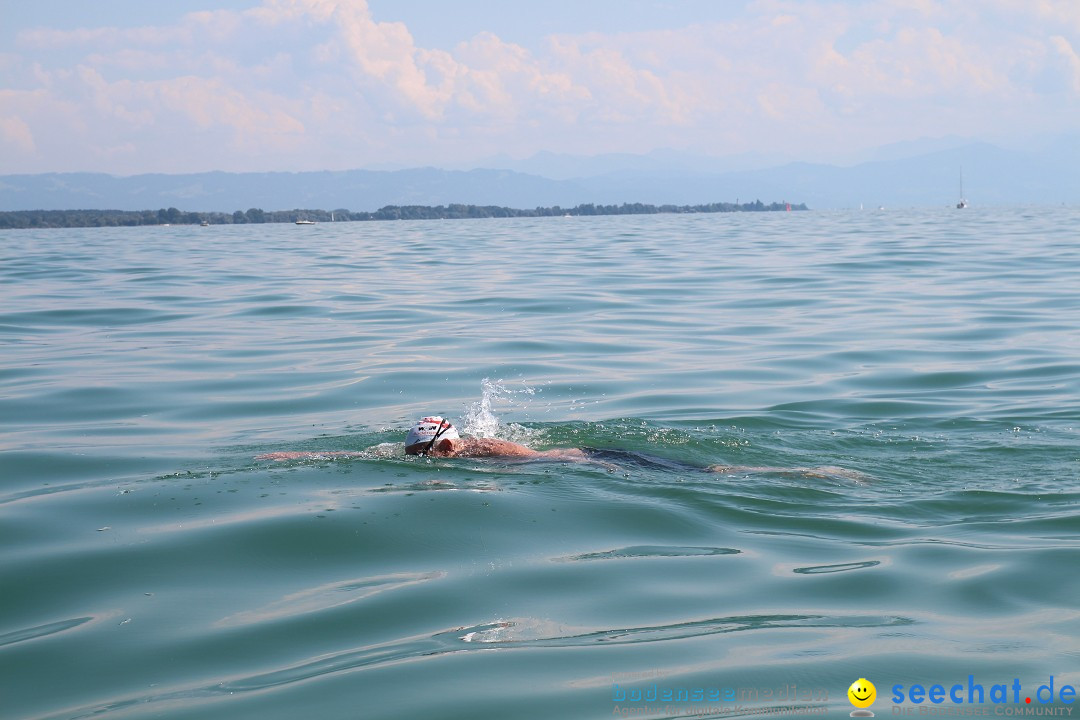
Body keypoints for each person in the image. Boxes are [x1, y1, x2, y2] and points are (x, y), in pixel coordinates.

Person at [257, 416, 868, 481]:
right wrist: (291, 459)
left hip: (596, 462)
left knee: (707, 474)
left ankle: (802, 471)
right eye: (421, 459)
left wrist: (577, 463)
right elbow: (359, 457)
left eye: (431, 456)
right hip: (585, 457)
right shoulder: (431, 450)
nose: (427, 464)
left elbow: (539, 462)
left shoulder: (482, 450)